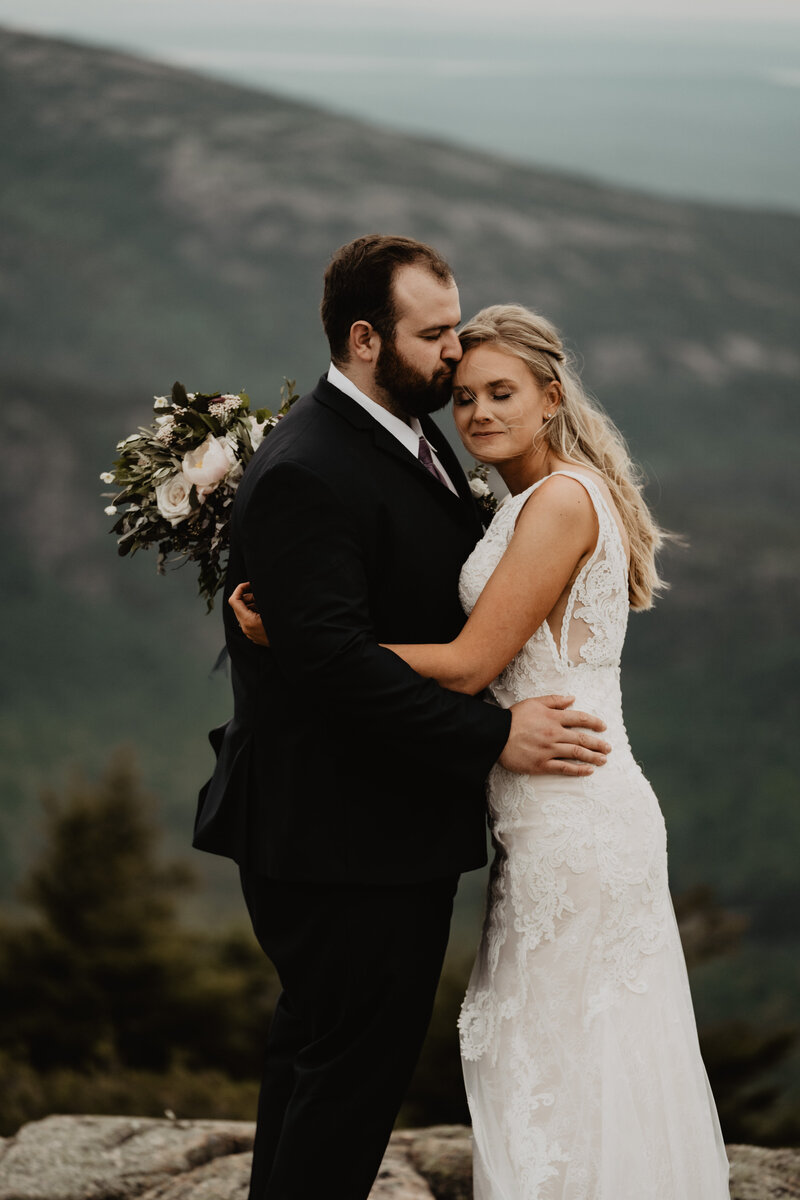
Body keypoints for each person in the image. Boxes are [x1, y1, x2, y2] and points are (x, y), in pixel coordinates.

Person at [233, 302, 730, 1198]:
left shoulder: (561, 501)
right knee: (549, 1060)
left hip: (574, 812)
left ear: (551, 397)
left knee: (571, 1062)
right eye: (462, 398)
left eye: (501, 393)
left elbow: (466, 667)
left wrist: (302, 639)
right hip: (537, 816)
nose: (478, 415)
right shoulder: (523, 500)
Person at [195, 236, 610, 1200]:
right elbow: (336, 671)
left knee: (318, 1070)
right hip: (340, 842)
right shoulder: (311, 465)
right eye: (434, 336)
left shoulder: (407, 434)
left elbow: (353, 624)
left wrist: (280, 629)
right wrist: (497, 737)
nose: (457, 354)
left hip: (369, 834)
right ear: (366, 340)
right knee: (346, 1086)